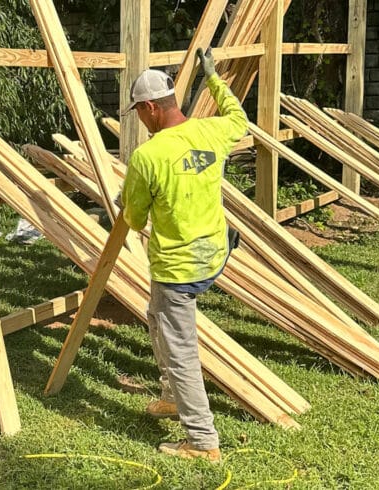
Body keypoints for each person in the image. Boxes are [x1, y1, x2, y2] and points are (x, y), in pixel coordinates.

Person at [119, 48, 248, 462]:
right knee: (156, 315)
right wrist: (213, 77)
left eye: (139, 111)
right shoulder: (211, 132)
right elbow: (239, 118)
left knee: (180, 349)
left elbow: (135, 219)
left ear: (152, 108)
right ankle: (172, 397)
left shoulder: (148, 157)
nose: (139, 118)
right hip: (214, 251)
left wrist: (129, 199)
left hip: (179, 266)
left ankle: (202, 440)